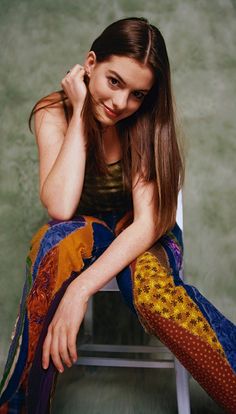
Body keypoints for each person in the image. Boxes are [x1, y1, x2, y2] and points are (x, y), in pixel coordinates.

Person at [0, 16, 235, 414]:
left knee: (150, 286)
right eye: (114, 81)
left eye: (138, 94)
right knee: (51, 245)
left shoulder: (143, 124)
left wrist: (79, 290)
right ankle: (19, 405)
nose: (122, 103)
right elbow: (59, 207)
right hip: (85, 228)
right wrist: (78, 114)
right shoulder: (53, 113)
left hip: (143, 231)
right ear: (89, 65)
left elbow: (146, 223)